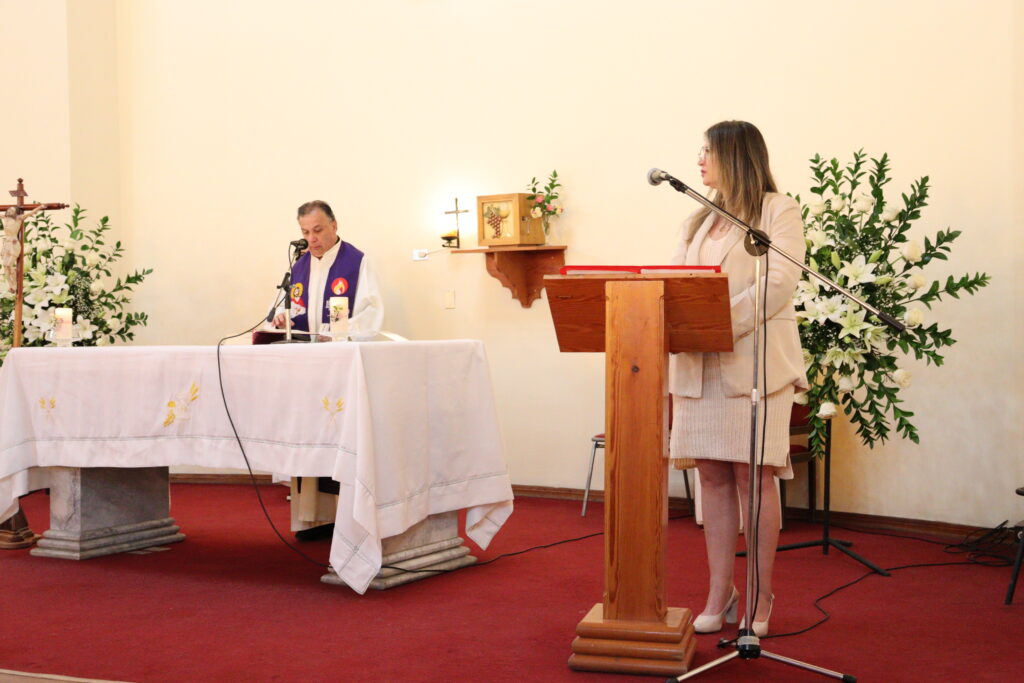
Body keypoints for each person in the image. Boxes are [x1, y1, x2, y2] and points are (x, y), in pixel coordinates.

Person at [668, 120, 807, 637]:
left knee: (754, 477)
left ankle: (760, 594)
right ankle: (719, 590)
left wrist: (718, 322)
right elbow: (676, 282)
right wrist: (681, 321)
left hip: (754, 367)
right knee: (710, 476)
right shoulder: (696, 220)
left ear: (734, 155)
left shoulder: (777, 210)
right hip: (697, 366)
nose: (699, 160)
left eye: (707, 151)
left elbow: (780, 282)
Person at [271, 200, 383, 339]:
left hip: (341, 349)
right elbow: (279, 307)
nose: (311, 239)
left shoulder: (358, 262)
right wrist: (280, 317)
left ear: (334, 226)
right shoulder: (297, 264)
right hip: (301, 349)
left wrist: (338, 334)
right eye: (305, 232)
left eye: (317, 230)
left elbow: (371, 312)